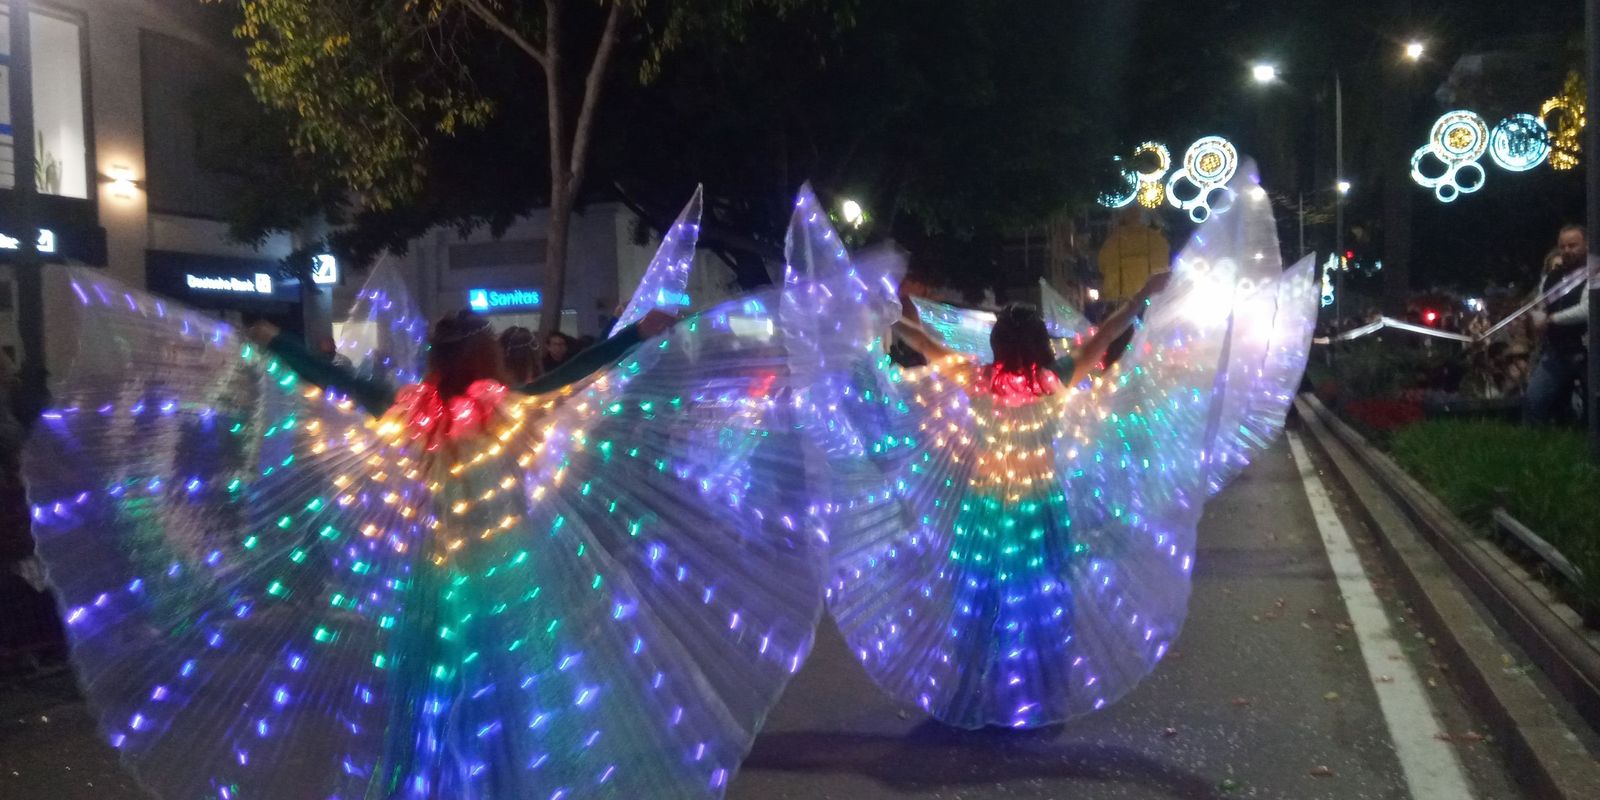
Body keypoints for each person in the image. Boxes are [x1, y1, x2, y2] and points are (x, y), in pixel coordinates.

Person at [26, 263, 830, 799]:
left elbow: (346, 385)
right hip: (499, 578)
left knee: (439, 704)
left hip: (437, 582)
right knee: (503, 704)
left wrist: (285, 350)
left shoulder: (414, 415)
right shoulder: (500, 411)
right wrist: (634, 338)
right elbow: (567, 377)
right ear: (481, 358)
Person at [1525, 225, 1591, 424]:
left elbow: (1588, 309)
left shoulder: (1595, 273)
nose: (1567, 250)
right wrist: (1536, 315)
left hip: (1589, 350)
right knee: (1534, 401)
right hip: (1557, 351)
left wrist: (1552, 319)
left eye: (1573, 245)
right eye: (1563, 246)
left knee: (1593, 407)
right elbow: (1539, 302)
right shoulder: (1552, 277)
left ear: (1586, 245)